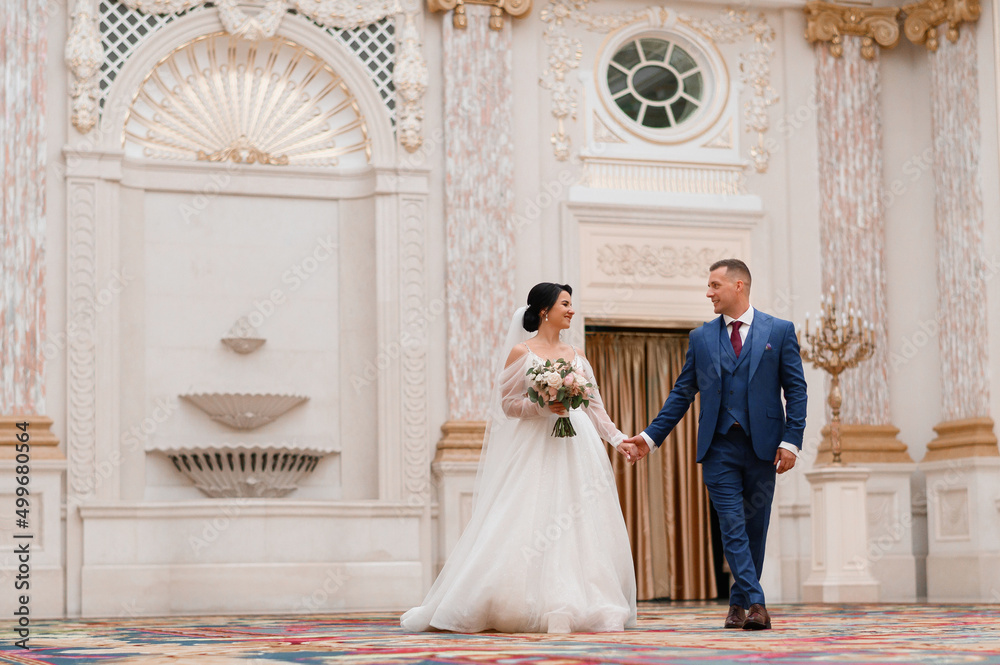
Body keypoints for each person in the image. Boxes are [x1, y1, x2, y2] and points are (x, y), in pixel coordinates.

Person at [401, 283, 637, 633]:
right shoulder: (521, 353)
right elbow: (507, 406)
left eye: (571, 304)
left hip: (577, 447)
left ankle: (584, 600)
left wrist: (619, 440)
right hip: (536, 444)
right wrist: (541, 406)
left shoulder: (578, 356)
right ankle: (510, 599)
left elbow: (594, 409)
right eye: (565, 304)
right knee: (526, 515)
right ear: (545, 310)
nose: (571, 310)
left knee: (581, 520)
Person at [620, 259, 807, 631]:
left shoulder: (780, 331)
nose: (709, 293)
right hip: (718, 447)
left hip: (764, 447)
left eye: (714, 285)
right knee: (732, 525)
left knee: (755, 528)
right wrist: (648, 437)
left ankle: (737, 605)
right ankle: (758, 602)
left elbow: (796, 390)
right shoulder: (702, 337)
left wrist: (792, 440)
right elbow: (681, 393)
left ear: (739, 286)